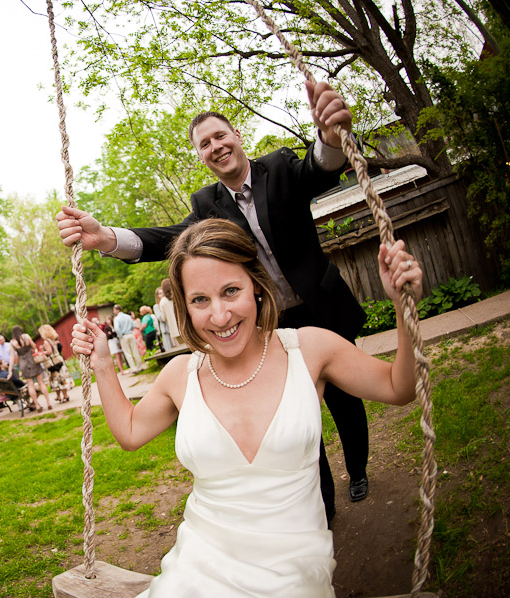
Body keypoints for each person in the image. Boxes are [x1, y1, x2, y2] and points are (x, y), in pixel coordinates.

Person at [56, 80, 370, 516]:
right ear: (201, 157)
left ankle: (358, 470)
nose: (215, 146)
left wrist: (330, 137)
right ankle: (320, 506)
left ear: (237, 136)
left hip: (321, 308)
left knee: (344, 399)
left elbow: (320, 168)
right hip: (268, 323)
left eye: (220, 136)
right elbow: (167, 240)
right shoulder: (206, 205)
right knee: (293, 417)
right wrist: (107, 237)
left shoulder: (279, 168)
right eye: (204, 144)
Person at [69, 219, 422, 597]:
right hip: (197, 567)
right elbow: (129, 432)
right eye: (200, 300)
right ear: (185, 307)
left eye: (231, 291)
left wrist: (403, 307)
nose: (219, 316)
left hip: (294, 570)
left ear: (255, 284)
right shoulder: (180, 375)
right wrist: (104, 366)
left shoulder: (310, 349)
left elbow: (399, 388)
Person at [10, 325, 53, 411]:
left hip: (23, 364)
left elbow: (12, 357)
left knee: (30, 385)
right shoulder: (26, 336)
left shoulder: (12, 342)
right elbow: (34, 346)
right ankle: (48, 403)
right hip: (32, 361)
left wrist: (10, 370)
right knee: (41, 383)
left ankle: (37, 405)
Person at [39, 324, 70, 403]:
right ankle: (64, 395)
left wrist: (42, 352)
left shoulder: (46, 341)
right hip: (59, 360)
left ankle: (61, 396)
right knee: (62, 379)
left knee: (56, 380)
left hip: (53, 363)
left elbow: (49, 352)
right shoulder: (54, 339)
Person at [113, 305, 143, 374]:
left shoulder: (117, 319)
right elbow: (133, 325)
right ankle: (139, 366)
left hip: (123, 336)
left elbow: (117, 329)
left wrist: (120, 336)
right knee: (135, 351)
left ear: (117, 310)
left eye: (114, 310)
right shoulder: (128, 316)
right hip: (130, 334)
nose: (114, 311)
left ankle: (134, 368)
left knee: (127, 353)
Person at [158, 280, 182, 348]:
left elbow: (163, 318)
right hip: (185, 326)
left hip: (175, 329)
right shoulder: (178, 295)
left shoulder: (163, 301)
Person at [153, 287, 174, 351]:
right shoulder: (156, 306)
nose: (161, 295)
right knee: (169, 348)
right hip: (166, 329)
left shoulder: (168, 302)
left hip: (172, 327)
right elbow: (161, 318)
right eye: (159, 294)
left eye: (162, 293)